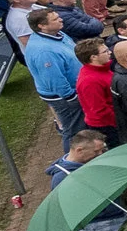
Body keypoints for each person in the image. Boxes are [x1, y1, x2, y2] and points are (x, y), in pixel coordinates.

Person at [24, 8, 86, 147]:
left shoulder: (58, 33)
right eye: (55, 19)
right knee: (74, 131)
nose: (61, 19)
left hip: (74, 90)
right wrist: (71, 97)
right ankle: (71, 159)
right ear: (42, 26)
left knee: (80, 127)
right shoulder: (44, 51)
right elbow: (54, 79)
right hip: (65, 98)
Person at [75, 37, 119, 136]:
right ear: (93, 57)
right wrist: (121, 121)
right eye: (105, 51)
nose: (110, 53)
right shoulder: (90, 81)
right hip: (108, 126)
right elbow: (100, 110)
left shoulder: (102, 69)